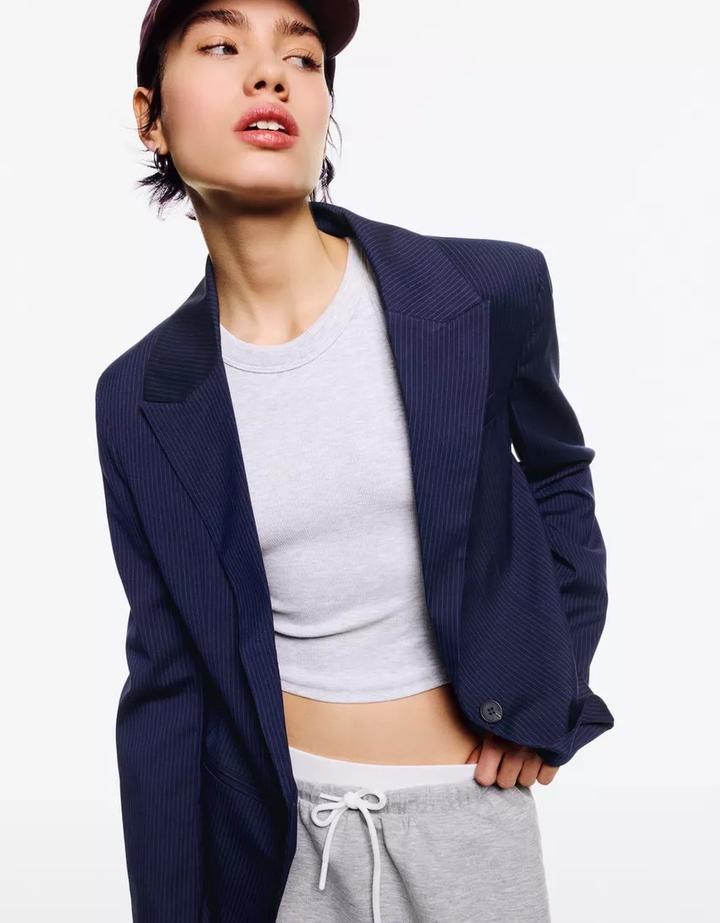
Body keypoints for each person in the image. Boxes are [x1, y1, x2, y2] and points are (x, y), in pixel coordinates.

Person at [94, 1, 614, 920]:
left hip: (469, 820)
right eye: (222, 45)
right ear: (151, 117)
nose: (270, 73)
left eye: (303, 57)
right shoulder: (141, 397)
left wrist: (551, 689)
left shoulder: (485, 291)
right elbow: (167, 678)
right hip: (272, 846)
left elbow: (558, 477)